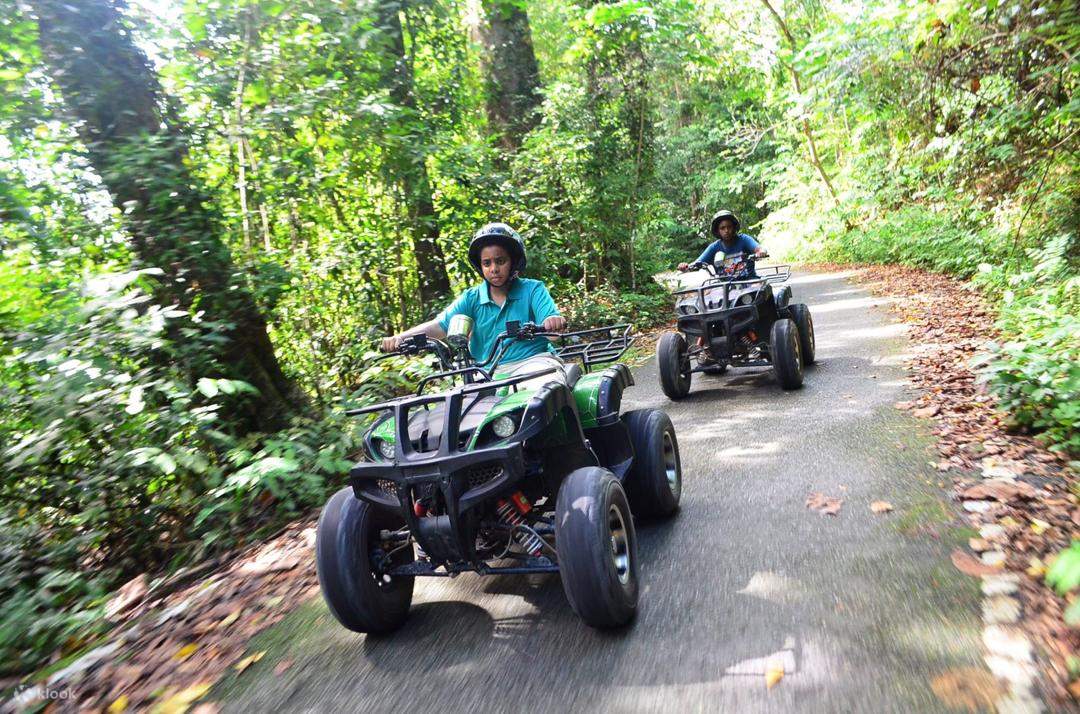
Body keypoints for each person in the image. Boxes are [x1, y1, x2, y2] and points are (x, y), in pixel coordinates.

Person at [381, 223, 567, 379]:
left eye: (500, 261)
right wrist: (400, 338)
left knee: (542, 396)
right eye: (487, 263)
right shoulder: (472, 298)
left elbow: (551, 330)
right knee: (461, 411)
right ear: (481, 267)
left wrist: (552, 323)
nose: (494, 269)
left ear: (513, 261)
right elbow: (439, 326)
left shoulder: (533, 289)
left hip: (534, 363)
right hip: (486, 373)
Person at [677, 210, 766, 274]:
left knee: (762, 294)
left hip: (749, 282)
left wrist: (761, 252)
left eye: (729, 227)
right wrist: (685, 266)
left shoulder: (744, 239)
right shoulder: (714, 248)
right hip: (725, 288)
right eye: (722, 228)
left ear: (734, 228)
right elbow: (697, 264)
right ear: (717, 231)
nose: (726, 231)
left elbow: (759, 248)